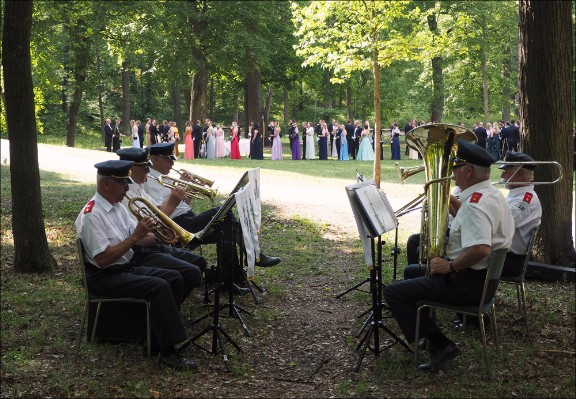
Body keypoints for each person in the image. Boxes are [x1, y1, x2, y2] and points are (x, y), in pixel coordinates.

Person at [383, 139, 513, 372]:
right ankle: (423, 328)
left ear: (469, 170)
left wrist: (450, 267)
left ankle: (440, 345)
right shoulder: (490, 195)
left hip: (466, 283)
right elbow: (469, 218)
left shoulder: (476, 204)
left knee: (393, 292)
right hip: (484, 282)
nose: (451, 172)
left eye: (455, 167)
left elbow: (481, 248)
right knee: (411, 271)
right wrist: (444, 195)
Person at [75, 159, 198, 371]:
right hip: (104, 277)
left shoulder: (117, 207)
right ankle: (167, 351)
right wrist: (134, 237)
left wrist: (158, 232)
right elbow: (103, 259)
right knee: (159, 286)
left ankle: (157, 338)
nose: (126, 189)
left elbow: (138, 236)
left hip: (124, 267)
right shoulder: (92, 215)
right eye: (123, 184)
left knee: (175, 277)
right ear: (106, 184)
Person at [144, 143, 281, 267]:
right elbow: (160, 214)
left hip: (187, 219)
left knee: (226, 228)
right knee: (222, 213)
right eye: (168, 159)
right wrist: (178, 190)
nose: (172, 164)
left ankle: (230, 278)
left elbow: (181, 204)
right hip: (176, 226)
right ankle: (254, 256)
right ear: (156, 159)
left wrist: (188, 190)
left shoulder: (163, 176)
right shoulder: (150, 181)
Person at [116, 147, 205, 302]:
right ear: (130, 168)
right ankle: (165, 310)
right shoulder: (126, 194)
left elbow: (156, 211)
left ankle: (169, 305)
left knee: (199, 262)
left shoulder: (139, 188)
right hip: (141, 251)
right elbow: (148, 225)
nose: (147, 170)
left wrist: (174, 202)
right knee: (189, 272)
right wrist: (172, 202)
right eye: (144, 167)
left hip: (154, 245)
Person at [498, 151, 542, 277]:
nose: (502, 175)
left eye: (506, 172)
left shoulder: (525, 199)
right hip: (504, 255)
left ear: (521, 174)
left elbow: (501, 225)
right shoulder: (517, 195)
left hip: (510, 260)